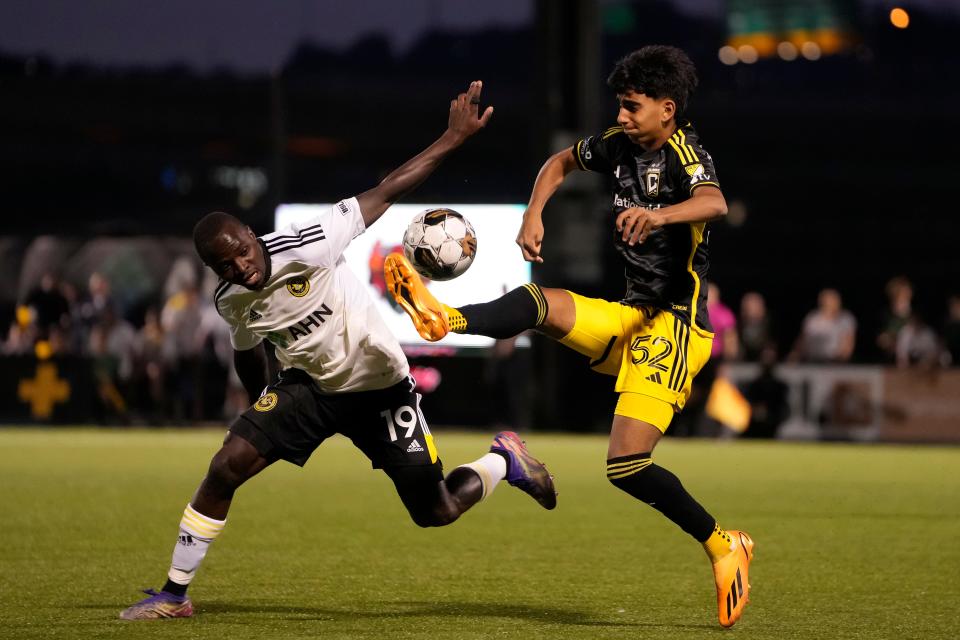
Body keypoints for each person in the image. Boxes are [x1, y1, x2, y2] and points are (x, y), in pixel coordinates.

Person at [120, 81, 557, 621]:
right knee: (226, 466)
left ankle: (503, 459)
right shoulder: (232, 299)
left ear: (254, 237)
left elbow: (388, 188)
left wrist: (451, 139)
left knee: (437, 510)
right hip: (310, 390)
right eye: (225, 266)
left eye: (243, 253)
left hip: (380, 387)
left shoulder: (309, 243)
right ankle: (174, 594)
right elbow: (247, 349)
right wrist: (259, 409)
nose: (241, 268)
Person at [385, 47, 754, 628]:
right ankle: (445, 318)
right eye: (620, 106)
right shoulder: (620, 144)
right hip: (631, 317)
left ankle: (723, 544)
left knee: (627, 467)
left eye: (633, 107)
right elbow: (560, 161)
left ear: (667, 108)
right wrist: (534, 212)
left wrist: (659, 216)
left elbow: (715, 201)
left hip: (677, 328)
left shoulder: (687, 154)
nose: (623, 117)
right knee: (539, 303)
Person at [790, 288, 856, 363]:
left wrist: (841, 360)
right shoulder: (812, 318)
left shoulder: (846, 319)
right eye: (828, 300)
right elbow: (803, 339)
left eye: (834, 299)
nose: (830, 302)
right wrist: (795, 354)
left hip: (834, 361)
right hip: (812, 360)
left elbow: (848, 343)